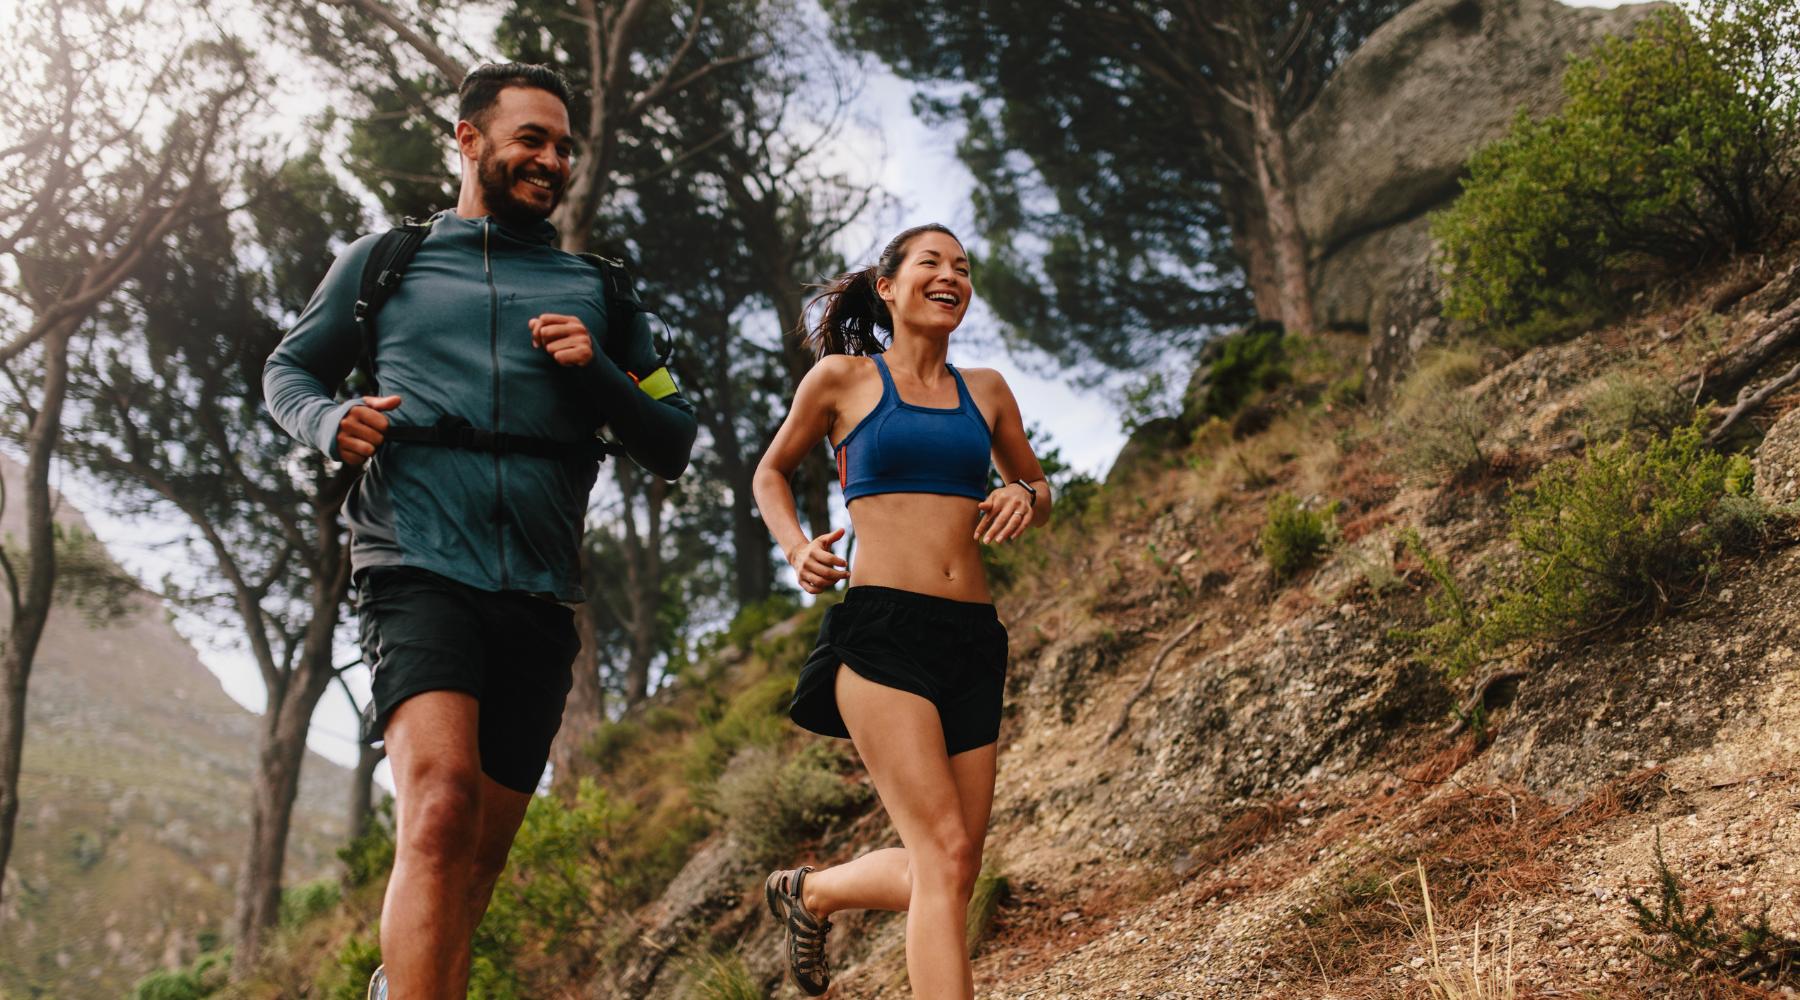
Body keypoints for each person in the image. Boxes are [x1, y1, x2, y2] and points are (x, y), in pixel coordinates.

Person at [262, 62, 696, 1000]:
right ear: (468, 139)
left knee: (479, 867)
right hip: (414, 560)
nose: (552, 160)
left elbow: (673, 435)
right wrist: (329, 422)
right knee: (438, 811)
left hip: (540, 588)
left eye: (565, 146)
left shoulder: (602, 291)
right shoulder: (388, 262)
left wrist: (601, 375)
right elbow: (288, 371)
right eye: (531, 139)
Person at [751, 224, 1051, 998]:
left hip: (972, 638)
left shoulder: (986, 391)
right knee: (944, 847)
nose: (951, 275)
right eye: (932, 263)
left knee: (951, 866)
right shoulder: (841, 381)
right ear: (888, 286)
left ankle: (812, 893)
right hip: (881, 631)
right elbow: (771, 474)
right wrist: (795, 550)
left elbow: (1039, 486)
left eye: (963, 267)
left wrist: (1023, 493)